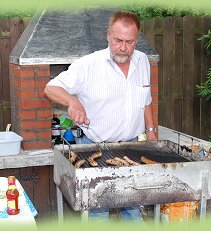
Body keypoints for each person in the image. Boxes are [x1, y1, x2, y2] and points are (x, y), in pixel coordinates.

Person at [44, 11, 158, 221]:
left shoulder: (142, 61)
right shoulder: (88, 65)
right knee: (99, 208)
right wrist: (73, 101)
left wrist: (151, 132)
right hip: (96, 148)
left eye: (129, 42)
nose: (123, 48)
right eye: (118, 40)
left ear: (137, 39)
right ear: (108, 35)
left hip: (130, 147)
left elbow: (146, 100)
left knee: (132, 204)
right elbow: (50, 87)